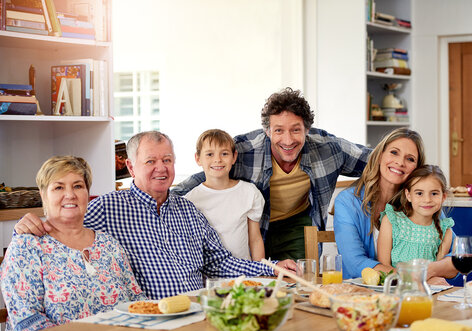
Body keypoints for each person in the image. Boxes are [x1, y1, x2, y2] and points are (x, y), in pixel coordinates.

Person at [14, 131, 296, 300]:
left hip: (197, 314)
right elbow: (63, 230)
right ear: (131, 166)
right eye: (150, 161)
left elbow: (219, 262)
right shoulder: (106, 208)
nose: (161, 168)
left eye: (167, 160)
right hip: (147, 319)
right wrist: (25, 226)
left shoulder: (188, 209)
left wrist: (271, 269)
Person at [173, 88, 371, 260]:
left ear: (307, 130)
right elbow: (200, 180)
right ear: (267, 131)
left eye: (296, 130)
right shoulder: (244, 151)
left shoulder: (329, 148)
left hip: (296, 223)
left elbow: (379, 161)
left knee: (293, 281)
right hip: (252, 225)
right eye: (278, 130)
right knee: (257, 285)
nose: (287, 140)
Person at [1, 156, 145, 331]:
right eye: (59, 187)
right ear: (43, 195)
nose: (70, 195)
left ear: (87, 193)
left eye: (78, 186)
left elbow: (137, 300)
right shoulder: (26, 247)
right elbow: (27, 321)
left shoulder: (109, 244)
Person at [333, 128, 458, 284]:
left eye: (410, 159)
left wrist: (429, 272)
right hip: (361, 293)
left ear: (417, 169)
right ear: (379, 156)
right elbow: (354, 263)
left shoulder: (422, 202)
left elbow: (456, 259)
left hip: (414, 293)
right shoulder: (348, 202)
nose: (400, 162)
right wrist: (411, 277)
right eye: (394, 152)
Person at [185, 129, 265, 261]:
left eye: (224, 154)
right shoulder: (190, 200)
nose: (217, 160)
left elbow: (255, 240)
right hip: (209, 277)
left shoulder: (249, 192)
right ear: (198, 159)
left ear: (234, 157)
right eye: (210, 154)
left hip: (244, 275)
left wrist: (261, 274)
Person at [377, 165, 455, 267]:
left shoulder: (445, 231)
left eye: (434, 194)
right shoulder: (392, 221)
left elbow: (436, 271)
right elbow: (384, 266)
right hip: (395, 282)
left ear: (443, 197)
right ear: (408, 195)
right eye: (419, 193)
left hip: (427, 282)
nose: (427, 200)